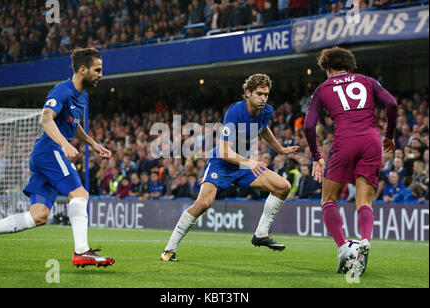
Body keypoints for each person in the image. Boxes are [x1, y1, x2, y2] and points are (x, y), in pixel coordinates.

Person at [0, 48, 115, 268]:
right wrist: (64, 144)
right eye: (97, 70)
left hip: (45, 155)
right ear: (83, 69)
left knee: (38, 216)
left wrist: (93, 144)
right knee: (80, 194)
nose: (101, 74)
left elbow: (73, 123)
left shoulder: (83, 95)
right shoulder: (62, 90)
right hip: (50, 150)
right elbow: (45, 119)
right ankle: (81, 251)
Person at [161, 74, 300, 262]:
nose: (263, 98)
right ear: (247, 93)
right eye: (259, 94)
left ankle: (261, 234)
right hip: (222, 163)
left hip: (244, 165)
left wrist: (280, 149)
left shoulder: (266, 110)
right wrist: (251, 162)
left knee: (283, 186)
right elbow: (225, 151)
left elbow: (263, 128)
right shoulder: (235, 111)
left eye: (266, 94)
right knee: (203, 204)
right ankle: (169, 249)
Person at [304, 47, 397, 276]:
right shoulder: (367, 81)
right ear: (349, 65)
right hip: (371, 140)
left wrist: (317, 156)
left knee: (328, 199)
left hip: (345, 141)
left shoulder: (323, 88)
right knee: (364, 201)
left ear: (327, 68)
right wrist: (390, 136)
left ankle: (344, 248)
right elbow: (392, 103)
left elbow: (308, 125)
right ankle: (365, 240)